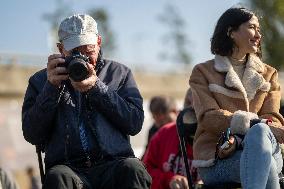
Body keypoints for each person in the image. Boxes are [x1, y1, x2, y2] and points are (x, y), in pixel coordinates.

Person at [22, 14, 151, 189]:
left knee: (133, 169)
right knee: (58, 176)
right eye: (75, 52)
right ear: (61, 49)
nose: (82, 58)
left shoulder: (119, 73)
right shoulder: (40, 81)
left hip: (114, 164)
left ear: (98, 42)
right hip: (69, 169)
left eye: (88, 51)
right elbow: (32, 134)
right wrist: (50, 89)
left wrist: (98, 89)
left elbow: (134, 123)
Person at [189, 7, 284, 188]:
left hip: (266, 147)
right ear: (231, 32)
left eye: (259, 30)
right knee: (266, 163)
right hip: (218, 159)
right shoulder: (202, 72)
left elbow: (272, 118)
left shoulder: (270, 74)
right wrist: (254, 123)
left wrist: (257, 128)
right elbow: (209, 118)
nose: (258, 35)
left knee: (260, 137)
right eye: (252, 27)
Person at [143, 89, 200, 189]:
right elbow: (145, 170)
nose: (192, 109)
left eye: (198, 104)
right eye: (188, 103)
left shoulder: (218, 140)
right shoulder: (163, 134)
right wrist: (169, 180)